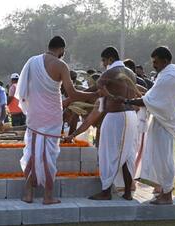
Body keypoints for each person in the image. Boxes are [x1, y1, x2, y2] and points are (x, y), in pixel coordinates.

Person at [15, 36, 100, 205]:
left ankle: (28, 194)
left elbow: (24, 88)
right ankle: (48, 196)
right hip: (52, 115)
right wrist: (95, 94)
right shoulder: (61, 65)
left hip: (35, 115)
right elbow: (72, 93)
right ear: (62, 49)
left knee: (32, 153)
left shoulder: (32, 61)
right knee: (49, 157)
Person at [124, 46, 175, 205]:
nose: (154, 65)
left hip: (164, 121)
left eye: (155, 62)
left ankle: (166, 194)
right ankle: (163, 189)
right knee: (160, 157)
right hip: (163, 120)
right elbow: (154, 97)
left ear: (165, 60)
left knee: (164, 158)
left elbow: (151, 100)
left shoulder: (170, 76)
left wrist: (128, 101)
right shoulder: (171, 73)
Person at [84, 47, 138, 201]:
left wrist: (73, 95)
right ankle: (127, 192)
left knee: (107, 154)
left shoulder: (109, 73)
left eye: (103, 61)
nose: (103, 64)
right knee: (127, 154)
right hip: (131, 115)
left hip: (116, 117)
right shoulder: (131, 73)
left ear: (109, 59)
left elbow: (95, 89)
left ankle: (106, 191)